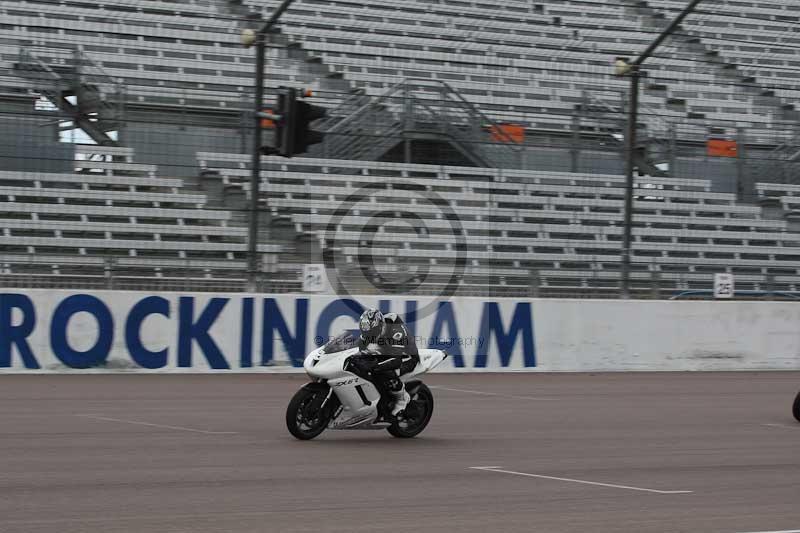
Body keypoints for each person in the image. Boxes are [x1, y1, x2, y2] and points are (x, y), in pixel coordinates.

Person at [348, 308, 419, 417]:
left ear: (381, 326)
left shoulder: (395, 332)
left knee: (386, 371)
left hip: (405, 356)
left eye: (371, 332)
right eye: (366, 332)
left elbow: (396, 361)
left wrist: (374, 366)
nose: (368, 335)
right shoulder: (371, 330)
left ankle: (402, 398)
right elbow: (357, 347)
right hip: (386, 351)